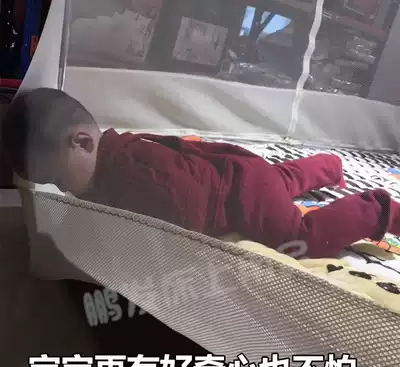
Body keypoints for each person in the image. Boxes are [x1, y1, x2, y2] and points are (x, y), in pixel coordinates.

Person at [1, 87, 400, 259]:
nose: (65, 190)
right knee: (277, 181)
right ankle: (327, 166)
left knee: (300, 238)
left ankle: (378, 209)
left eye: (60, 179)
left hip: (239, 197)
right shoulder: (117, 147)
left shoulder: (132, 178)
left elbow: (186, 220)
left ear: (83, 143)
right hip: (239, 170)